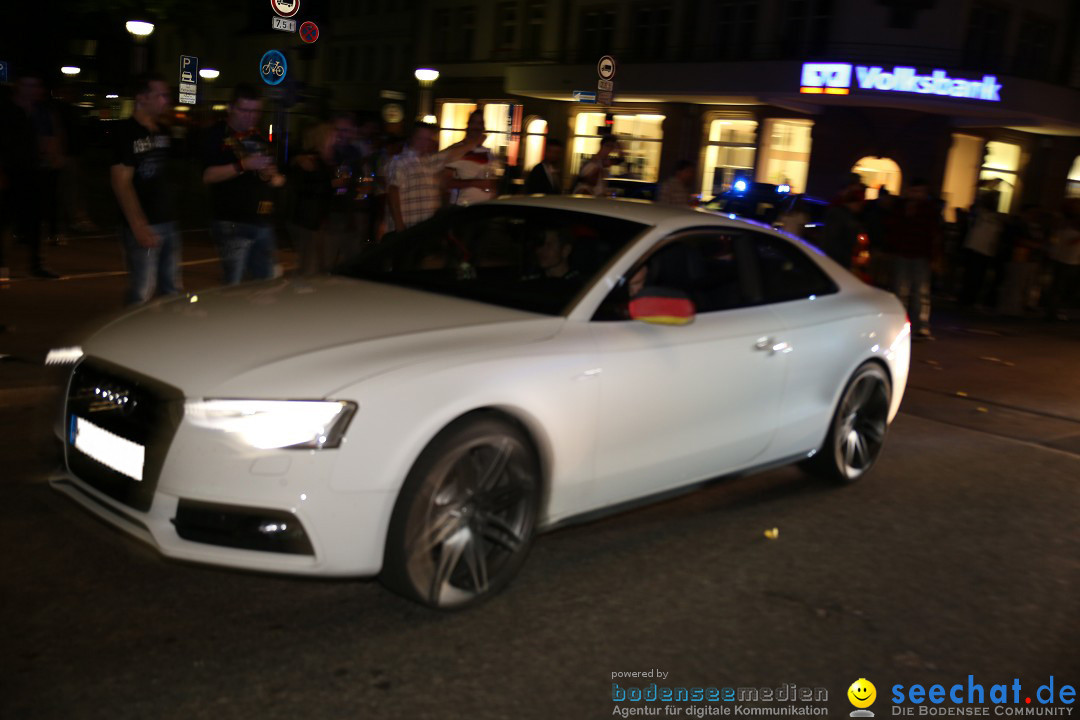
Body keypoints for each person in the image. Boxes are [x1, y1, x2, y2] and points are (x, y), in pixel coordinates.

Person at [202, 83, 285, 285]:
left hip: (261, 221)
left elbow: (273, 178)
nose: (251, 116)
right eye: (245, 110)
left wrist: (272, 176)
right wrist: (242, 165)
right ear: (231, 108)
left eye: (255, 111)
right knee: (234, 286)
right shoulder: (216, 134)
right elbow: (207, 175)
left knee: (266, 286)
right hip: (232, 222)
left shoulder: (258, 136)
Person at [110, 74, 182, 305]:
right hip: (144, 224)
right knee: (141, 292)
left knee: (172, 289)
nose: (166, 100)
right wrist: (137, 224)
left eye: (166, 95)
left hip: (168, 221)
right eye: (160, 95)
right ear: (141, 98)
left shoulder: (163, 131)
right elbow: (121, 181)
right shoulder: (125, 132)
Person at [0, 69, 59, 279]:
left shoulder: (41, 112)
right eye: (28, 85)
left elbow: (48, 139)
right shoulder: (7, 110)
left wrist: (49, 160)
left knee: (35, 219)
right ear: (19, 87)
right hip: (8, 171)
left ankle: (36, 264)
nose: (32, 90)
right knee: (4, 219)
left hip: (33, 172)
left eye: (35, 86)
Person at [386, 121, 486, 233]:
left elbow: (451, 153)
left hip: (425, 228)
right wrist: (399, 226)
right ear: (413, 138)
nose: (425, 143)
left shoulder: (430, 160)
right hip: (408, 229)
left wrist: (474, 143)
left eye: (428, 139)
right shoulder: (400, 161)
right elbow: (393, 192)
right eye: (421, 138)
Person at [884, 179, 940, 338]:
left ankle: (921, 325)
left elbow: (933, 233)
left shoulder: (929, 210)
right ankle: (901, 322)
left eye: (921, 192)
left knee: (920, 292)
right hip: (903, 252)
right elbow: (891, 228)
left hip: (920, 254)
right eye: (915, 191)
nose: (918, 195)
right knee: (900, 289)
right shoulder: (900, 207)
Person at [287, 123, 343, 275]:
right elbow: (303, 187)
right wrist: (331, 184)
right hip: (308, 219)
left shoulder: (325, 159)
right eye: (332, 136)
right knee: (309, 264)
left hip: (318, 219)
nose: (335, 139)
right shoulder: (309, 159)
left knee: (317, 262)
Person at [443, 110, 500, 207]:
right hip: (462, 208)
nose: (477, 127)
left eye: (480, 123)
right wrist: (476, 183)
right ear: (468, 125)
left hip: (484, 209)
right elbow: (446, 182)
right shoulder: (457, 150)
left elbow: (493, 182)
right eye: (474, 122)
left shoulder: (488, 153)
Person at [821, 184, 866, 269]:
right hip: (836, 261)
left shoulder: (848, 216)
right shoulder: (840, 215)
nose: (861, 208)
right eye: (860, 204)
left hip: (839, 260)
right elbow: (833, 241)